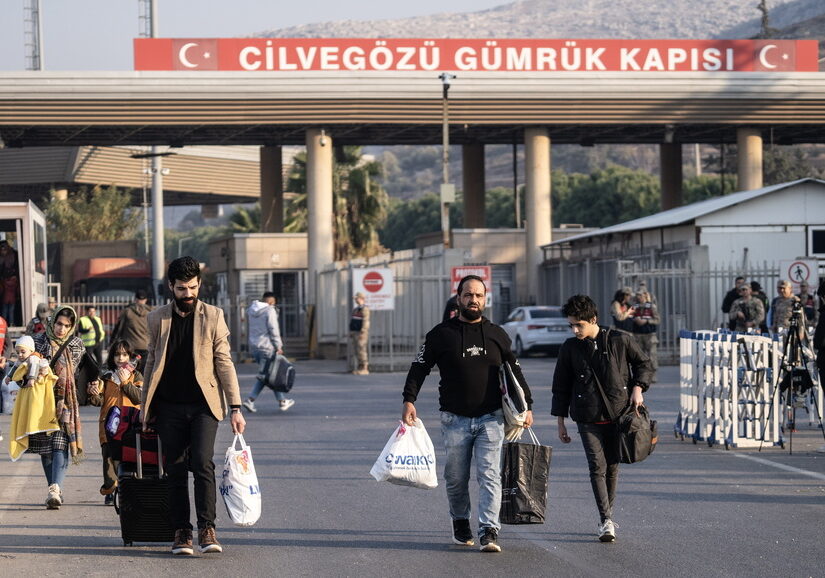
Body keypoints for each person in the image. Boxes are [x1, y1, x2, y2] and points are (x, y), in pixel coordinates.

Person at [401, 275, 534, 553]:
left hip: (491, 417)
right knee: (456, 477)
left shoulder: (497, 334)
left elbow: (515, 370)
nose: (473, 300)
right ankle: (461, 522)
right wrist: (409, 400)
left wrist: (527, 405)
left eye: (479, 296)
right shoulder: (441, 334)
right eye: (468, 295)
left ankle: (488, 530)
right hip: (455, 419)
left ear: (485, 299)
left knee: (490, 474)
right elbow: (419, 367)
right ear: (458, 297)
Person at [141, 256, 245, 556]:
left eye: (193, 287)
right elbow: (151, 363)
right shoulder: (156, 318)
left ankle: (207, 529)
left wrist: (236, 406)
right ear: (171, 287)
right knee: (173, 469)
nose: (188, 294)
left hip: (204, 405)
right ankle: (181, 533)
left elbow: (224, 362)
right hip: (168, 406)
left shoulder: (213, 316)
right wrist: (145, 407)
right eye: (182, 288)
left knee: (202, 463)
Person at [551, 294, 653, 542]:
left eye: (579, 325)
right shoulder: (570, 348)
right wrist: (561, 421)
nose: (575, 330)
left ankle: (607, 514)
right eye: (571, 325)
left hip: (619, 417)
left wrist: (638, 388)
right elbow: (561, 385)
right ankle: (606, 519)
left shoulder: (619, 340)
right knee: (597, 466)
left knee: (613, 467)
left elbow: (644, 364)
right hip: (587, 418)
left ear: (593, 319)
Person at [28, 306, 96, 509]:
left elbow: (88, 367)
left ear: (72, 326)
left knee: (60, 442)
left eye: (67, 325)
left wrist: (95, 383)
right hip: (41, 400)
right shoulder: (38, 340)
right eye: (58, 324)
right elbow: (26, 364)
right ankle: (53, 489)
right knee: (45, 448)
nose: (61, 329)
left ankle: (55, 487)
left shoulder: (76, 343)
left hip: (65, 400)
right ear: (52, 322)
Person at [98, 339, 143, 505]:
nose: (120, 358)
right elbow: (97, 400)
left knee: (125, 457)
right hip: (108, 424)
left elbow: (139, 398)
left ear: (130, 356)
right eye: (117, 354)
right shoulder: (106, 375)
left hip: (128, 423)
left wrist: (125, 382)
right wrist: (94, 392)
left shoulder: (136, 375)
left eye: (124, 354)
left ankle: (125, 488)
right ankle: (110, 488)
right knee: (108, 456)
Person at [5, 335, 59, 462]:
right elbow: (15, 368)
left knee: (35, 405)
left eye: (23, 352)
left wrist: (32, 379)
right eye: (18, 352)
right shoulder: (23, 358)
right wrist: (8, 377)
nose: (20, 355)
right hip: (27, 388)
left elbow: (34, 368)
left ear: (30, 350)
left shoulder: (34, 357)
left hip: (36, 383)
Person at [242, 291, 295, 413]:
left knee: (269, 375)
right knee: (266, 376)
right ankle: (250, 400)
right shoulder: (270, 310)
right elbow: (273, 329)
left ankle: (282, 401)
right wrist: (278, 346)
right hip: (267, 347)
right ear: (271, 302)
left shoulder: (251, 310)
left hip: (255, 347)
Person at [111, 289, 152, 374]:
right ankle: (141, 386)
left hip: (130, 347)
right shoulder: (151, 312)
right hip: (146, 347)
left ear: (135, 299)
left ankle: (130, 386)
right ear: (145, 300)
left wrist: (112, 342)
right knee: (143, 372)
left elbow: (118, 328)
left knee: (129, 371)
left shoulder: (127, 311)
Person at [631, 288, 660, 382]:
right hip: (637, 335)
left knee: (652, 355)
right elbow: (629, 318)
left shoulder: (652, 306)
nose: (638, 297)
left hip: (650, 335)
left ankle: (653, 375)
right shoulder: (634, 307)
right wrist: (635, 320)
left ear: (645, 295)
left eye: (640, 295)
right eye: (637, 295)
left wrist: (646, 321)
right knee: (639, 357)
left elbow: (657, 320)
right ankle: (641, 376)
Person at [349, 292, 370, 375]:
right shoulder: (356, 309)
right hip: (355, 332)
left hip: (361, 333)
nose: (355, 300)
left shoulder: (365, 309)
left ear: (361, 298)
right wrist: (351, 331)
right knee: (356, 350)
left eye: (356, 298)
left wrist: (363, 331)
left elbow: (366, 321)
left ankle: (365, 367)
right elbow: (353, 320)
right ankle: (359, 367)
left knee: (362, 350)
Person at [0, 240, 20, 325]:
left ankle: (7, 323)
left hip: (7, 290)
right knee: (9, 309)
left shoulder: (14, 255)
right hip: (8, 292)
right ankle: (10, 323)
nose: (3, 250)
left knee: (7, 309)